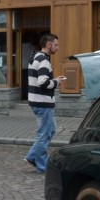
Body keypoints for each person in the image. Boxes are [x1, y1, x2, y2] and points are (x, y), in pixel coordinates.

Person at [24, 33, 67, 174]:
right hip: (42, 103)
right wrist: (57, 82)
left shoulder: (36, 57)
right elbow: (43, 82)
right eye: (56, 45)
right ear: (48, 45)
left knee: (51, 130)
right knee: (44, 134)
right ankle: (42, 167)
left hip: (37, 101)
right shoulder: (44, 61)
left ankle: (31, 156)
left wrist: (53, 79)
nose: (58, 48)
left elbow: (40, 79)